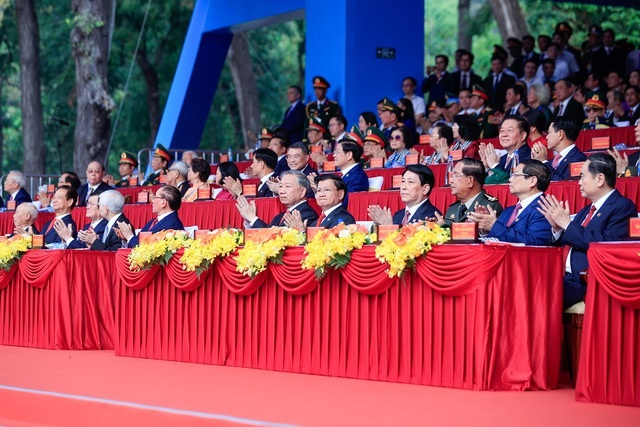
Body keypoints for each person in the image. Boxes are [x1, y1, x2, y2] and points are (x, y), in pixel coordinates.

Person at [537, 153, 638, 310]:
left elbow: (608, 245)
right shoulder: (586, 210)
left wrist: (567, 224)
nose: (579, 182)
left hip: (585, 280)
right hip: (561, 275)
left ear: (600, 179)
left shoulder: (623, 207)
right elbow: (571, 238)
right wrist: (557, 229)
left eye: (583, 176)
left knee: (538, 297)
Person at [469, 159, 551, 245]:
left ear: (532, 181)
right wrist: (485, 229)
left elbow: (535, 243)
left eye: (516, 175)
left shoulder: (544, 209)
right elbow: (496, 238)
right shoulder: (509, 211)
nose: (510, 179)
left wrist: (494, 226)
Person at [236, 170, 318, 228]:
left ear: (302, 191)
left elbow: (274, 237)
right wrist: (249, 220)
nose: (281, 191)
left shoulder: (307, 214)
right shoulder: (279, 217)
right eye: (280, 186)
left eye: (288, 186)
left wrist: (253, 218)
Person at [436, 158, 503, 226]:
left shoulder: (490, 207)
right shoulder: (453, 208)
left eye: (456, 175)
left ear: (470, 181)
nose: (451, 181)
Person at [368, 164, 441, 226]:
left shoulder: (432, 216)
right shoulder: (398, 215)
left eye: (410, 182)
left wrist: (389, 228)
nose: (403, 187)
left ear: (425, 189)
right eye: (403, 181)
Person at [119, 186, 184, 248]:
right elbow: (140, 240)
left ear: (163, 203)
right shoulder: (154, 221)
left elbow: (145, 249)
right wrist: (126, 238)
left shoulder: (172, 225)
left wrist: (129, 236)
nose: (152, 201)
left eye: (155, 197)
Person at [480, 115, 533, 184]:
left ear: (522, 136)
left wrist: (494, 166)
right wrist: (487, 167)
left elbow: (511, 182)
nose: (504, 135)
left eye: (509, 130)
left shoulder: (530, 157)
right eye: (502, 131)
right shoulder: (501, 159)